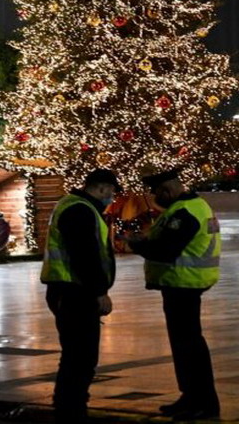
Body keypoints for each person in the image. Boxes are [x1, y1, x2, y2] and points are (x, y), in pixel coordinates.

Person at [128, 168, 221, 421]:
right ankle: (190, 397)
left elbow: (166, 250)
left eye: (157, 192)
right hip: (182, 284)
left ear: (167, 190)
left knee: (190, 346)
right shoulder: (193, 206)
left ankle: (203, 403)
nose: (156, 197)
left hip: (184, 284)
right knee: (185, 345)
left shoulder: (185, 213)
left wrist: (137, 244)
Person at [40, 169, 119, 422]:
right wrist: (99, 292)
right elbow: (85, 255)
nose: (112, 197)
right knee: (80, 356)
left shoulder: (74, 205)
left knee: (77, 354)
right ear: (102, 188)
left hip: (68, 290)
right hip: (74, 291)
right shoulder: (80, 210)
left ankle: (70, 407)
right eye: (112, 192)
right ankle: (70, 410)